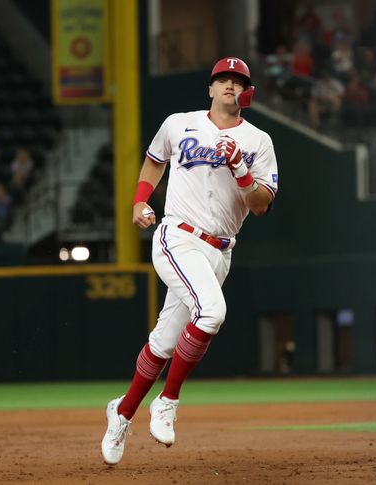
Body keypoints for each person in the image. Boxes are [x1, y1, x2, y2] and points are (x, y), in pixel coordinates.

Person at [101, 57, 279, 465]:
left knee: (165, 340)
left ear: (246, 91)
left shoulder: (258, 141)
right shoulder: (179, 123)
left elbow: (262, 206)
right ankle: (167, 401)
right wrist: (139, 200)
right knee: (212, 312)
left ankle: (122, 412)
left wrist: (241, 170)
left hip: (219, 251)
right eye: (223, 80)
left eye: (238, 81)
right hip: (177, 237)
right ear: (211, 89)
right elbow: (154, 160)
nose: (230, 86)